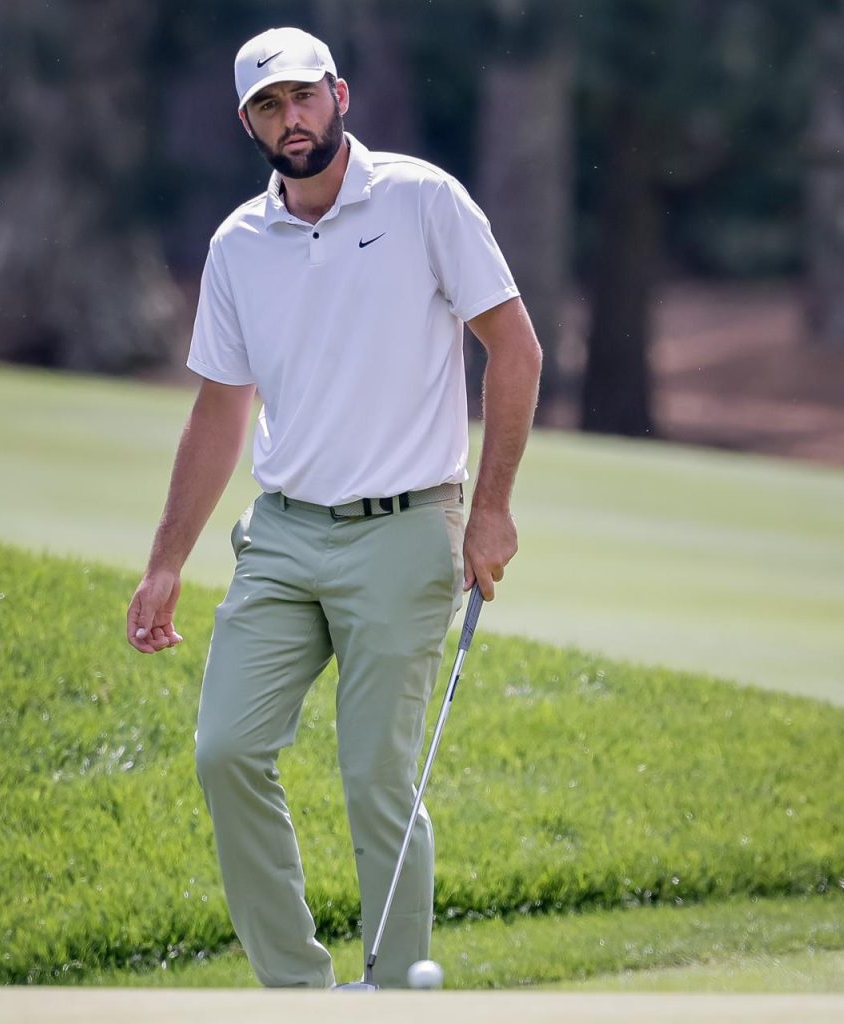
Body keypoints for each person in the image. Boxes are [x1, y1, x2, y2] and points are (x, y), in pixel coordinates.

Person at [127, 26, 542, 989]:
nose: (292, 118)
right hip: (281, 533)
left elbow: (514, 350)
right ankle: (298, 992)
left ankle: (395, 994)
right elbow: (221, 411)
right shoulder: (238, 244)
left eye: (304, 97)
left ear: (340, 95)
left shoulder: (423, 200)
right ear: (248, 124)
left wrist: (492, 511)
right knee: (227, 749)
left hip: (405, 526)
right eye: (269, 106)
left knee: (375, 778)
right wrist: (165, 561)